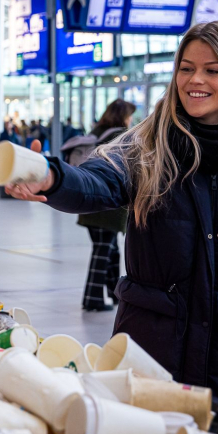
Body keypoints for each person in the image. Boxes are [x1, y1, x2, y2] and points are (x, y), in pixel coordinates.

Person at [6, 21, 218, 434]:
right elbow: (96, 182)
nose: (195, 79)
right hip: (148, 367)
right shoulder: (148, 147)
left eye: (213, 70)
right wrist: (52, 177)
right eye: (186, 68)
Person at [61, 99, 136, 311]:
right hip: (108, 208)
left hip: (90, 202)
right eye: (129, 115)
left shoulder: (97, 131)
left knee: (111, 251)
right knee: (102, 252)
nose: (131, 120)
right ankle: (92, 298)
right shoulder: (119, 136)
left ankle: (115, 295)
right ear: (123, 116)